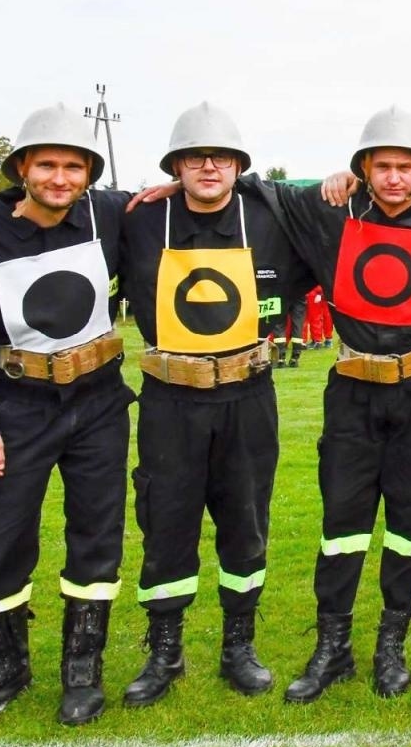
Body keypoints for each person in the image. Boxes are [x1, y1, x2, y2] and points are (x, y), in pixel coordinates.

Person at [252, 106, 411, 703]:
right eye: (382, 166)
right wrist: (178, 175)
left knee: (410, 522)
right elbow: (254, 187)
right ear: (364, 169)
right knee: (342, 523)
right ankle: (332, 647)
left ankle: (391, 644)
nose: (394, 177)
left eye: (405, 166)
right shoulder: (335, 213)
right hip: (352, 390)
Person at [0, 103, 134, 725]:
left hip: (100, 402)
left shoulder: (105, 215)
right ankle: (4, 667)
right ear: (23, 167)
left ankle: (82, 669)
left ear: (88, 173)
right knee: (1, 537)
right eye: (47, 164)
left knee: (97, 536)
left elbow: (181, 191)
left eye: (74, 166)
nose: (60, 178)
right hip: (19, 407)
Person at [117, 103, 312, 708]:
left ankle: (239, 646)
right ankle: (165, 650)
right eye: (194, 156)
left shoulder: (271, 214)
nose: (208, 165)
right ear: (174, 165)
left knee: (245, 520)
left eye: (221, 156)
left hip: (247, 394)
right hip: (170, 398)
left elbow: (337, 198)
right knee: (166, 520)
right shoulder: (139, 220)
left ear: (239, 166)